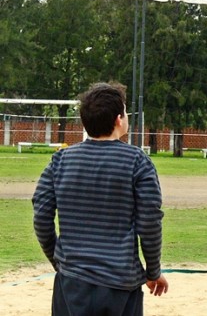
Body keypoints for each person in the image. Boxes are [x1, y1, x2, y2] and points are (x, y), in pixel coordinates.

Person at [32, 82, 169, 315]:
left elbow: (41, 217)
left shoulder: (60, 161)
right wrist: (153, 271)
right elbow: (149, 222)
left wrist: (61, 262)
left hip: (71, 284)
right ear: (119, 119)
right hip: (120, 284)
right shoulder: (137, 161)